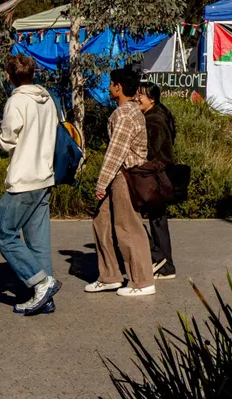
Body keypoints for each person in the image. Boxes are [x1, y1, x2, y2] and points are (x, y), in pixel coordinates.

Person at [0, 54, 60, 315]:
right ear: (34, 74)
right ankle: (45, 296)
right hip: (44, 176)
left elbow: (8, 140)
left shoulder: (16, 101)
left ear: (10, 77)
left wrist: (0, 139)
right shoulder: (47, 98)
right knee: (38, 241)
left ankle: (42, 282)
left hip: (23, 179)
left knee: (4, 235)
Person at [86, 68, 155, 297]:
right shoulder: (131, 111)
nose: (108, 88)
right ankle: (109, 275)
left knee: (127, 228)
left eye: (110, 84)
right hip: (120, 175)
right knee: (101, 222)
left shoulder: (124, 115)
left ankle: (142, 281)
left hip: (124, 176)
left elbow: (116, 152)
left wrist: (101, 183)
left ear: (118, 87)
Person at [136, 82, 177, 280]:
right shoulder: (161, 114)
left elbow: (150, 149)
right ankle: (165, 263)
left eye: (141, 96)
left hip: (156, 174)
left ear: (151, 99)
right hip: (163, 173)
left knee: (154, 218)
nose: (137, 99)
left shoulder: (153, 120)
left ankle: (161, 260)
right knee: (158, 219)